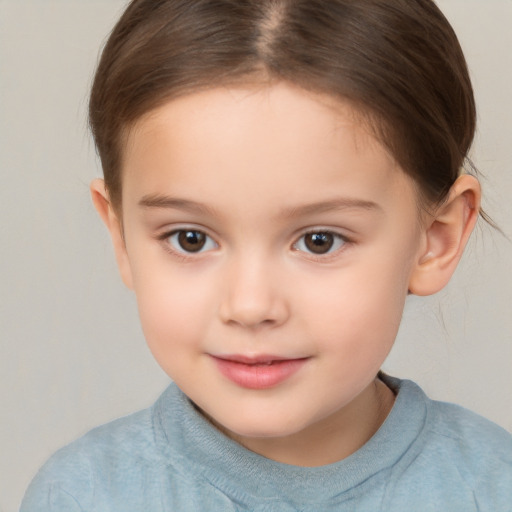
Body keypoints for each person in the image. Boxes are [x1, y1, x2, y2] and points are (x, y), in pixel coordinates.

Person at [20, 0, 512, 510]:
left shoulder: (493, 488)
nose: (251, 305)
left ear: (435, 238)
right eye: (190, 238)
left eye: (319, 240)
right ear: (120, 236)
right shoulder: (82, 495)